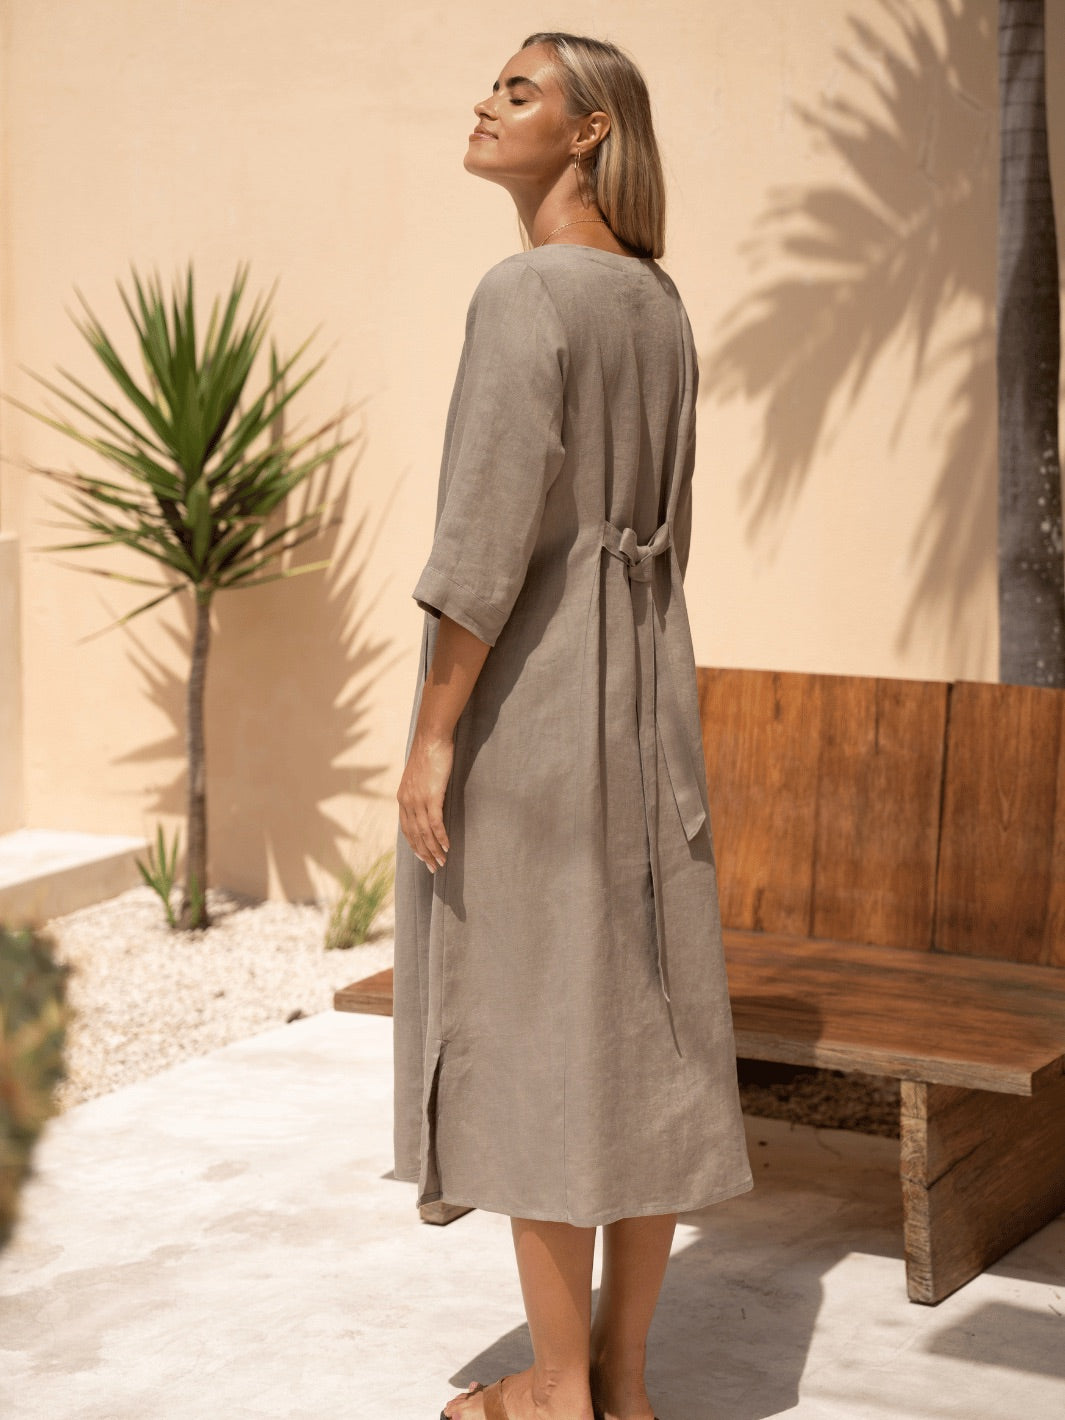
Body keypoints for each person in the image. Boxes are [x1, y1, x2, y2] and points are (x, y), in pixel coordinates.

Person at [393, 31, 754, 1420]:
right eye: (490, 85)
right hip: (646, 698)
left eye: (520, 90)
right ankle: (624, 1380)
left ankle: (550, 1388)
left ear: (589, 130)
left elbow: (482, 546)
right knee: (641, 1036)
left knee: (541, 1037)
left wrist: (434, 739)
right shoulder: (653, 301)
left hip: (535, 710)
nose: (486, 104)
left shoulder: (522, 292)